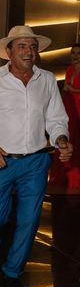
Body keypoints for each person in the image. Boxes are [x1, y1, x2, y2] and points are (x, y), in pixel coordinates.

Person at [0, 25, 72, 287]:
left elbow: (56, 119)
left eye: (32, 46)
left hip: (36, 162)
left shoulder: (47, 79)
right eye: (22, 46)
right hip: (0, 160)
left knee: (28, 221)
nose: (29, 51)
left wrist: (60, 139)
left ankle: (13, 272)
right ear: (8, 52)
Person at [49, 43, 80, 190]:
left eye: (78, 53)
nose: (75, 55)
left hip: (79, 106)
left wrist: (71, 88)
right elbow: (65, 91)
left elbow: (70, 88)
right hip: (69, 107)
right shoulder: (69, 69)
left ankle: (76, 178)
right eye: (73, 53)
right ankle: (62, 176)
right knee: (67, 138)